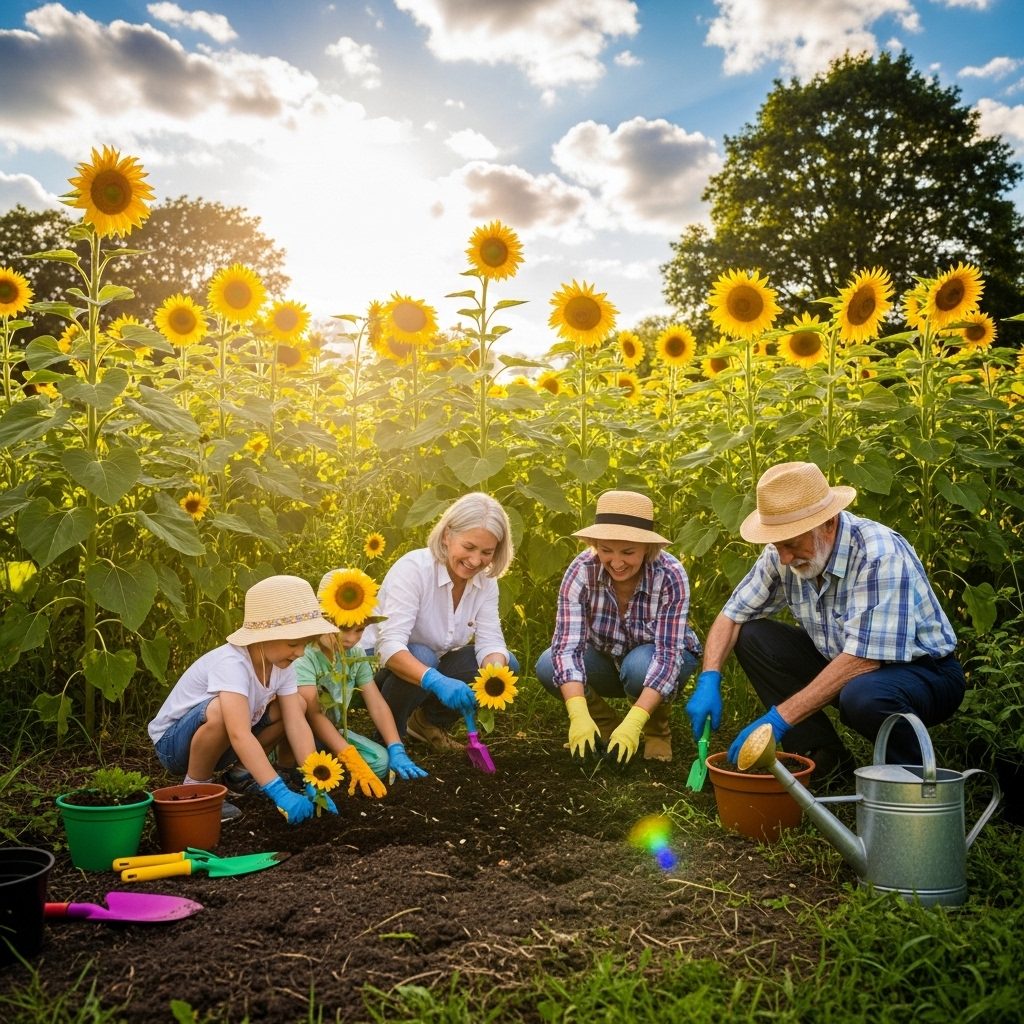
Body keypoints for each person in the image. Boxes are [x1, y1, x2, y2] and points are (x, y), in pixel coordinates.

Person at [689, 462, 966, 770]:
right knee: (753, 636)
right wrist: (709, 677)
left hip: (924, 673)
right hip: (844, 661)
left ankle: (907, 780)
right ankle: (822, 754)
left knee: (864, 695)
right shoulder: (783, 553)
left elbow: (864, 660)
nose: (784, 558)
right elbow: (732, 614)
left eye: (792, 544)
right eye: (777, 545)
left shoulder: (878, 555)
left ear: (829, 523)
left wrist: (777, 719)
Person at [148, 575, 341, 825]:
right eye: (294, 643)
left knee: (297, 706)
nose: (301, 652)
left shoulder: (282, 664)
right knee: (219, 712)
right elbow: (238, 733)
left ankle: (239, 776)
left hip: (226, 743)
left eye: (305, 643)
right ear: (262, 635)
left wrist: (315, 779)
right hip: (175, 746)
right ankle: (196, 791)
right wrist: (278, 791)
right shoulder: (232, 663)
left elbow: (297, 723)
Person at [535, 491, 702, 763]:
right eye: (606, 550)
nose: (616, 562)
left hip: (654, 661)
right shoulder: (581, 570)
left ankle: (655, 731)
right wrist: (577, 714)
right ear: (595, 544)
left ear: (647, 548)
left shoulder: (670, 574)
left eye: (628, 552)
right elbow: (567, 648)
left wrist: (634, 721)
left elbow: (668, 657)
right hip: (606, 658)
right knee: (548, 663)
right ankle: (605, 725)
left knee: (639, 666)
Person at [362, 493, 519, 751]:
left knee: (506, 664)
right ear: (447, 536)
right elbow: (388, 646)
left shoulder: (485, 582)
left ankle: (425, 722)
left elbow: (490, 641)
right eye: (468, 547)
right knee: (423, 656)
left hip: (430, 663)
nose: (475, 561)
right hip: (378, 668)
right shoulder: (414, 570)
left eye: (486, 552)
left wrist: (492, 677)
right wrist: (436, 681)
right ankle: (390, 735)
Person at [278, 572, 428, 793]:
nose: (350, 638)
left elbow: (375, 702)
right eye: (342, 628)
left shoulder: (355, 655)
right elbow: (313, 714)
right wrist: (350, 758)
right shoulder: (305, 656)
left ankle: (338, 764)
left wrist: (396, 747)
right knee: (317, 757)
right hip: (302, 732)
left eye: (359, 630)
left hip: (335, 731)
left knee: (382, 762)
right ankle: (286, 768)